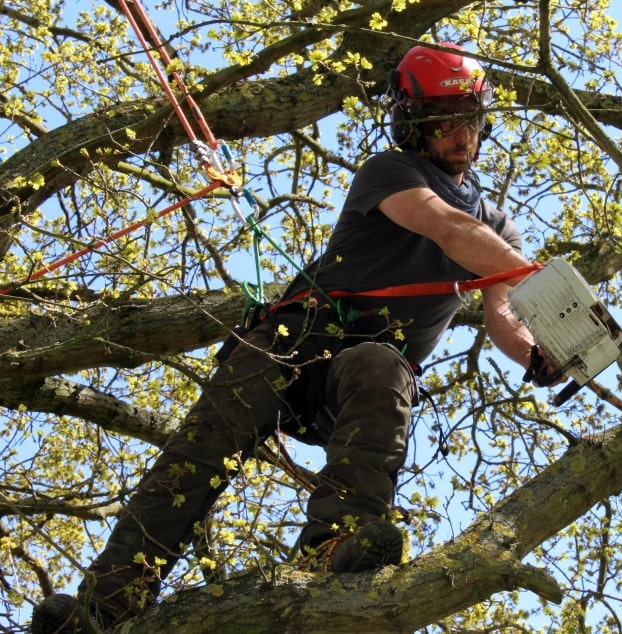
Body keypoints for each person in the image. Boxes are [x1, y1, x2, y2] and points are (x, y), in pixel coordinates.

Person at [31, 42, 560, 633]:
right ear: (414, 126)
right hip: (295, 337)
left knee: (384, 367)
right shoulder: (392, 172)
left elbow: (502, 311)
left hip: (359, 375)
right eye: (442, 121)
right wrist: (532, 272)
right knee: (201, 451)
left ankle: (334, 547)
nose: (460, 135)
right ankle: (105, 605)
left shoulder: (499, 229)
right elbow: (442, 224)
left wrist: (535, 352)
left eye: (469, 119)